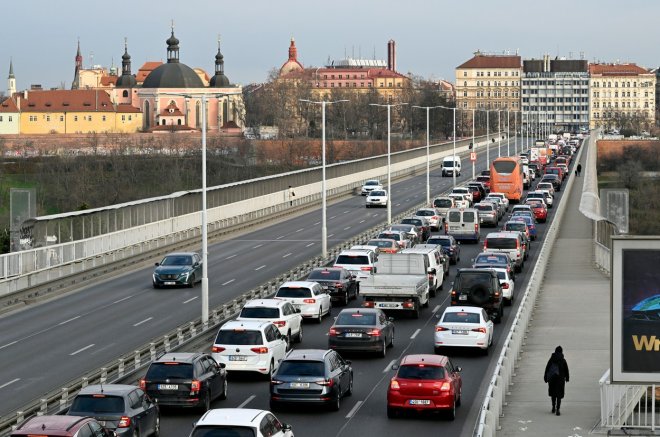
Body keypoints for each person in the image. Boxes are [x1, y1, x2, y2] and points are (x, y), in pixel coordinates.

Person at [544, 345, 570, 416]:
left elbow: (547, 369)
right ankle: (558, 409)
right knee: (559, 395)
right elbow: (566, 370)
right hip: (560, 380)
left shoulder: (551, 359)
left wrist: (545, 378)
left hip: (552, 379)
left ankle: (553, 407)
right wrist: (567, 378)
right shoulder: (563, 360)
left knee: (553, 394)